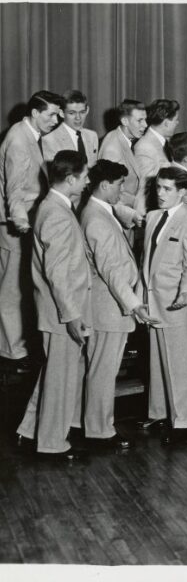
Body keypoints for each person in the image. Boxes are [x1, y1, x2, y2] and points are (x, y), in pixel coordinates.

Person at [16, 150, 91, 461]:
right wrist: (71, 316)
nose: (88, 182)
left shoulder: (53, 206)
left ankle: (29, 430)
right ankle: (52, 445)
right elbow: (57, 273)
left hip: (55, 309)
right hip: (62, 311)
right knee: (60, 378)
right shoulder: (57, 214)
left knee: (53, 373)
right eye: (85, 176)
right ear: (71, 179)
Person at [80, 160, 158, 449]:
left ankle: (96, 427)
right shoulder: (97, 219)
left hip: (109, 307)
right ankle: (100, 432)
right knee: (103, 372)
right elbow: (111, 270)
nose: (122, 190)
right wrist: (135, 305)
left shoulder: (102, 212)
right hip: (108, 309)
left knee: (102, 370)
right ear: (105, 185)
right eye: (119, 184)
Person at [139, 166, 187, 444]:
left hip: (176, 302)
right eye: (158, 188)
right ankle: (160, 414)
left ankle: (185, 423)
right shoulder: (153, 218)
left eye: (167, 189)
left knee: (181, 363)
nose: (161, 194)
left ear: (182, 192)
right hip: (152, 300)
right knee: (157, 359)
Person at [0, 90, 62, 366]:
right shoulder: (18, 139)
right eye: (51, 114)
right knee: (12, 289)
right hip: (15, 223)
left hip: (27, 219)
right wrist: (20, 220)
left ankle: (17, 345)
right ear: (35, 113)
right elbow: (13, 188)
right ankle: (11, 351)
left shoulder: (31, 134)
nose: (56, 120)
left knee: (22, 285)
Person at [97, 99, 148, 234]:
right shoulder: (112, 149)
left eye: (145, 120)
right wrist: (132, 215)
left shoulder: (124, 139)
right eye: (140, 121)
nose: (145, 125)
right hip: (117, 222)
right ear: (125, 121)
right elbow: (110, 193)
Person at [135, 99, 180, 214]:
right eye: (175, 120)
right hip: (151, 214)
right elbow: (145, 188)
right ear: (166, 123)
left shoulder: (164, 142)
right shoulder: (145, 146)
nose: (177, 123)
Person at [42, 90, 99, 170]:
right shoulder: (49, 141)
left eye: (82, 112)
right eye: (72, 113)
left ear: (87, 110)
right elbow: (54, 179)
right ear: (61, 113)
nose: (78, 118)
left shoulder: (92, 136)